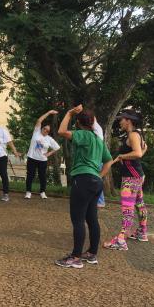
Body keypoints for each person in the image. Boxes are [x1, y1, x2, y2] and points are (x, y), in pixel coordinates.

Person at [55, 105, 114, 269]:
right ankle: (92, 254)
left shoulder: (83, 135)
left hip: (82, 179)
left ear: (79, 123)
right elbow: (109, 160)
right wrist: (100, 175)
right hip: (96, 182)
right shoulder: (98, 140)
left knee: (78, 219)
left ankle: (75, 257)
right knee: (92, 219)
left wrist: (68, 114)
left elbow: (61, 131)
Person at [103, 109, 148, 251]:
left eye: (122, 119)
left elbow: (138, 153)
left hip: (131, 177)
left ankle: (121, 240)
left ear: (128, 121)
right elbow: (144, 149)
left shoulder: (133, 135)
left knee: (127, 208)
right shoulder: (137, 134)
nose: (120, 121)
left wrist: (122, 156)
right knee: (139, 203)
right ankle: (142, 232)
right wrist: (127, 156)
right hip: (137, 175)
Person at [24, 110, 61, 199]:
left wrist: (49, 153)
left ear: (49, 132)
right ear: (41, 128)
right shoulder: (36, 132)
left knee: (42, 177)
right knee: (30, 175)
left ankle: (42, 192)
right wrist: (49, 113)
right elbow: (39, 120)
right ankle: (28, 192)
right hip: (32, 158)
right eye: (44, 128)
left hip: (42, 160)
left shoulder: (49, 139)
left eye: (48, 130)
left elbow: (57, 147)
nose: (45, 131)